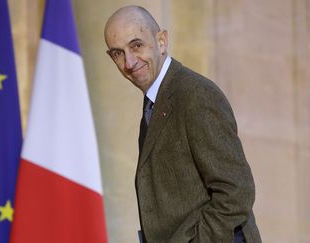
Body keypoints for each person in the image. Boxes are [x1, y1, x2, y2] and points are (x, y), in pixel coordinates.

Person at [104, 5, 262, 243]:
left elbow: (236, 190)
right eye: (117, 53)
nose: (129, 62)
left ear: (162, 41)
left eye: (136, 45)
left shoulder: (196, 94)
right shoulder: (155, 101)